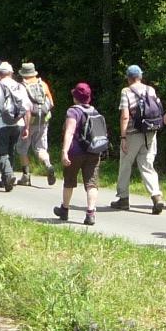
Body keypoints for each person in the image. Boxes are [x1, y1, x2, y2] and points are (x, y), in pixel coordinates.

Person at [113, 64, 166, 214]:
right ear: (140, 76)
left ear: (128, 78)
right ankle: (156, 196)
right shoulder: (151, 89)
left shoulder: (126, 91)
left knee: (125, 165)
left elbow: (125, 116)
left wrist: (123, 137)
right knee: (147, 165)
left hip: (133, 133)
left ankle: (123, 199)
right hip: (150, 132)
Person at [54, 83, 107, 225]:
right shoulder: (94, 111)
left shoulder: (73, 111)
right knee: (92, 184)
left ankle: (64, 210)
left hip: (75, 152)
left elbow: (70, 131)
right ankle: (90, 213)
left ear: (75, 97)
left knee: (69, 181)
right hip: (93, 151)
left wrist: (64, 151)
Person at [0, 60, 30, 192]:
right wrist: (26, 127)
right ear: (11, 73)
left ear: (0, 73)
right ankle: (6, 180)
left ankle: (9, 175)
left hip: (1, 123)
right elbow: (27, 109)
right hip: (18, 123)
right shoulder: (20, 86)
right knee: (11, 151)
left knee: (2, 152)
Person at [20, 61, 58, 185]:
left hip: (27, 122)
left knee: (23, 149)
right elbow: (51, 104)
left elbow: (22, 107)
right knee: (40, 148)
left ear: (23, 74)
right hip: (43, 121)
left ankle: (26, 176)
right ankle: (48, 165)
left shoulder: (22, 86)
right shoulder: (43, 84)